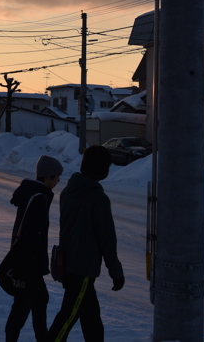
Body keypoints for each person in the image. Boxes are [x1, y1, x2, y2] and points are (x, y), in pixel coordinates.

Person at [47, 145, 124, 342]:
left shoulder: (69, 191)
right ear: (101, 169)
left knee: (91, 321)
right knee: (67, 318)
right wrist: (116, 272)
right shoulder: (97, 198)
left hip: (68, 263)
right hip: (82, 269)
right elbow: (107, 239)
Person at [5, 155, 64, 342]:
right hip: (28, 264)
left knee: (38, 301)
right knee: (23, 307)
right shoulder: (39, 198)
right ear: (47, 178)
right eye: (56, 177)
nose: (58, 181)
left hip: (27, 262)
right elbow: (31, 234)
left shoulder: (32, 194)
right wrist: (34, 265)